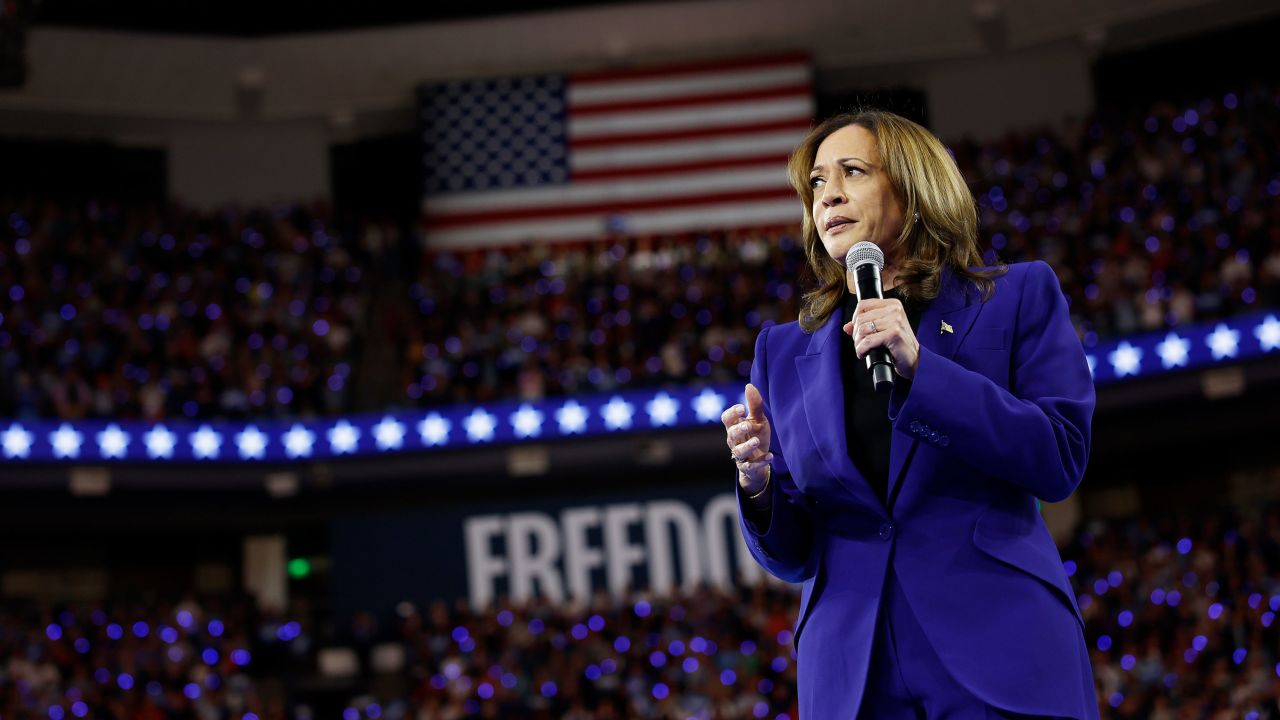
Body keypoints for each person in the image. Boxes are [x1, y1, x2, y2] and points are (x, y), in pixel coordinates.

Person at [721, 109, 1098, 719]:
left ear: (915, 188)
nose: (829, 195)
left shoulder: (1016, 297)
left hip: (1001, 651)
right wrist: (758, 484)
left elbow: (1058, 459)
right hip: (853, 678)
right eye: (817, 182)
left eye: (852, 172)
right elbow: (791, 556)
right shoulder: (783, 350)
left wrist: (924, 369)